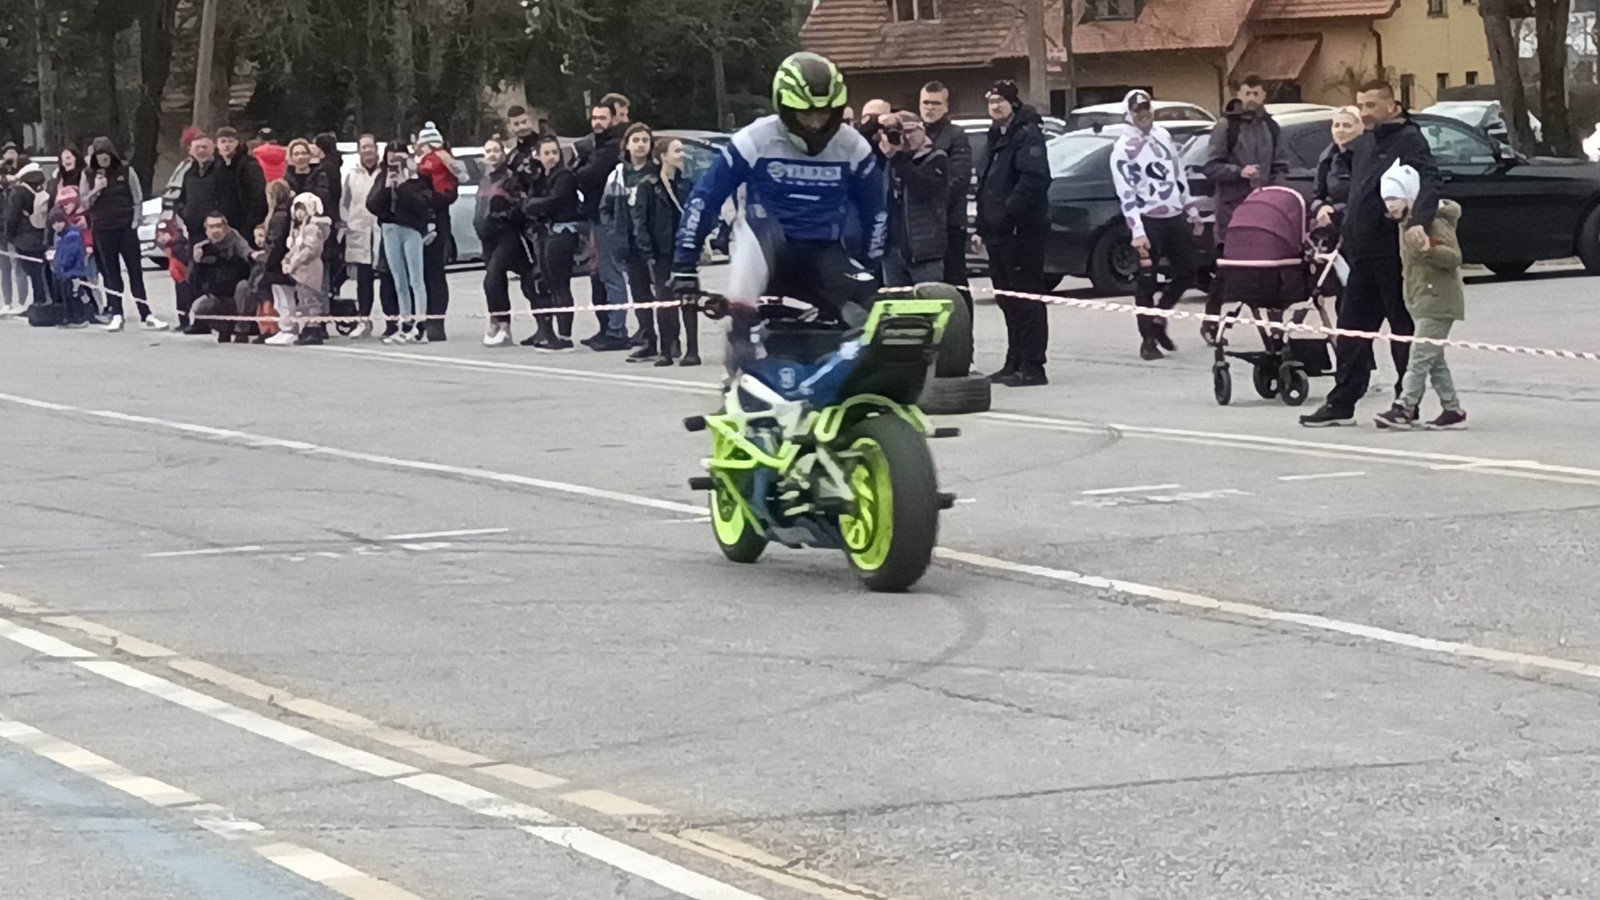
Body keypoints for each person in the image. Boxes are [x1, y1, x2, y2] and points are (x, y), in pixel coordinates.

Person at [671, 51, 886, 372]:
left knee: (875, 310)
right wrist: (684, 265)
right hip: (764, 248)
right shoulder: (754, 140)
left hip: (822, 252)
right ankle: (741, 346)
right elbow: (705, 197)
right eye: (805, 114)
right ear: (785, 107)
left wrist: (870, 266)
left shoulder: (853, 147)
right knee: (756, 233)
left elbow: (876, 212)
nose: (815, 123)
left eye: (824, 113)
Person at [1300, 80, 1440, 427]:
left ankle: (1406, 403)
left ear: (1392, 106)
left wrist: (1418, 221)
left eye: (1372, 105)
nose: (1365, 112)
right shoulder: (1363, 143)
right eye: (1361, 105)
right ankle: (1342, 402)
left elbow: (1431, 180)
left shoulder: (1409, 139)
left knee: (1401, 329)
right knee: (1351, 331)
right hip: (1359, 251)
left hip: (1392, 252)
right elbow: (1355, 189)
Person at [1370, 164, 1468, 431]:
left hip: (1439, 300)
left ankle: (1405, 406)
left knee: (1419, 358)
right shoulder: (1407, 224)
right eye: (1386, 199)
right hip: (1420, 300)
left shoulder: (1432, 222)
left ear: (1410, 197)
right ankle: (1452, 409)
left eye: (1394, 198)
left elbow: (1454, 257)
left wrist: (1429, 248)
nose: (1389, 205)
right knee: (1434, 359)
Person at [1110, 90, 1203, 361]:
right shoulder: (1123, 148)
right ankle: (1147, 339)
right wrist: (1137, 230)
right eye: (1137, 110)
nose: (1143, 114)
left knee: (1188, 270)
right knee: (1147, 281)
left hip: (1173, 215)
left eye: (1146, 108)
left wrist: (1191, 209)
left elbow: (1178, 174)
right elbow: (1125, 192)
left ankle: (1160, 318)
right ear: (1129, 113)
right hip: (1146, 220)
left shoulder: (1163, 136)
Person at [1201, 75, 1290, 343]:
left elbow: (1282, 165)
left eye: (1257, 93)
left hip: (1264, 210)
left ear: (1264, 95)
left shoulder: (1272, 128)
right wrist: (1239, 172)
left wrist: (1275, 191)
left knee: (1269, 269)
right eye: (1247, 92)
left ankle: (1274, 328)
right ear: (1240, 94)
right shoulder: (1226, 127)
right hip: (1232, 211)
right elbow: (1210, 167)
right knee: (1229, 269)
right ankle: (1211, 322)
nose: (1251, 97)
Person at [975, 79, 1051, 387]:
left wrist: (1008, 214)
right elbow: (986, 186)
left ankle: (1033, 365)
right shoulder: (996, 136)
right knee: (1007, 300)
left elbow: (1034, 181)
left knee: (1026, 299)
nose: (995, 106)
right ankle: (1014, 361)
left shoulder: (1027, 134)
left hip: (1022, 233)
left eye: (1001, 101)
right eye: (991, 101)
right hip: (997, 234)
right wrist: (983, 225)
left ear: (1013, 104)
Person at [82, 137, 167, 331]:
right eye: (99, 156)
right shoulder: (88, 175)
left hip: (126, 228)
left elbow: (137, 197)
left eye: (106, 155)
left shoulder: (127, 171)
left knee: (135, 272)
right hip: (103, 229)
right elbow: (84, 203)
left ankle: (146, 313)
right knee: (111, 274)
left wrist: (134, 223)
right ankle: (117, 313)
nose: (103, 159)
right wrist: (96, 188)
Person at [633, 135, 698, 366]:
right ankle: (666, 349)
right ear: (662, 157)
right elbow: (640, 221)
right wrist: (647, 252)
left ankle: (692, 349)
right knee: (664, 299)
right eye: (677, 151)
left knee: (688, 298)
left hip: (684, 251)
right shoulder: (648, 186)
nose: (681, 155)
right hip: (661, 252)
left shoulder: (686, 184)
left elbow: (695, 214)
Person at [575, 100, 631, 351]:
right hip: (595, 217)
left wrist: (581, 169)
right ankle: (607, 327)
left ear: (612, 120)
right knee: (600, 276)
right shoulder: (598, 145)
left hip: (608, 218)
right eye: (594, 118)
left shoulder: (611, 147)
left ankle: (618, 331)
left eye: (602, 118)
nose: (597, 122)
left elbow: (590, 174)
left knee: (612, 275)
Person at [366, 140, 434, 343]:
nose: (395, 160)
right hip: (389, 229)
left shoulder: (417, 178)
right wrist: (387, 188)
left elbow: (422, 204)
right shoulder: (382, 177)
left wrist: (403, 186)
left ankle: (420, 324)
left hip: (411, 229)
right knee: (398, 279)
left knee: (416, 278)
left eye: (400, 156)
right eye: (391, 156)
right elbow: (372, 205)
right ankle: (404, 323)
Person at [521, 135, 582, 351]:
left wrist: (532, 206)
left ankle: (565, 336)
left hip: (562, 233)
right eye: (546, 153)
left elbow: (555, 200)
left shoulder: (563, 176)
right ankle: (554, 333)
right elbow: (529, 199)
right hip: (546, 232)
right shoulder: (542, 177)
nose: (551, 157)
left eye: (554, 152)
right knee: (548, 282)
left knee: (560, 283)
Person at [880, 112, 949, 288]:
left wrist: (897, 157)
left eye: (911, 131)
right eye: (901, 132)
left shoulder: (936, 157)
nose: (906, 137)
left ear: (923, 129)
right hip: (892, 250)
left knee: (928, 308)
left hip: (924, 251)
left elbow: (924, 189)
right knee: (896, 309)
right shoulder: (891, 160)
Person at [475, 136, 531, 346]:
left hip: (506, 236)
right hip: (487, 238)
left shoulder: (510, 178)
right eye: (488, 151)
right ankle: (498, 323)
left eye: (495, 151)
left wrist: (503, 218)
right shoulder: (485, 179)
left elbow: (518, 205)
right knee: (495, 283)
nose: (492, 155)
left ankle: (505, 324)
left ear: (502, 153)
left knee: (493, 277)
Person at [920, 81, 974, 288]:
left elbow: (959, 179)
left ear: (945, 106)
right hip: (922, 224)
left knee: (955, 279)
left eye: (935, 103)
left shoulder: (956, 135)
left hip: (950, 222)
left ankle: (964, 320)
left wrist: (936, 205)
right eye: (926, 102)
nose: (930, 108)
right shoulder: (914, 134)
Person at [615, 122, 661, 361]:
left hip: (655, 241)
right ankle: (647, 338)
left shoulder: (657, 172)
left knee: (663, 292)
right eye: (636, 140)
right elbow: (608, 206)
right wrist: (615, 232)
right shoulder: (620, 174)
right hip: (630, 241)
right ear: (627, 145)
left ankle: (670, 341)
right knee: (640, 292)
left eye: (645, 140)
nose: (641, 144)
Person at [269, 192, 333, 346]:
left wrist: (295, 262)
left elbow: (310, 249)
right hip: (299, 272)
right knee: (303, 300)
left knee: (311, 299)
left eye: (303, 209)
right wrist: (286, 260)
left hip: (310, 268)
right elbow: (294, 248)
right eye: (297, 209)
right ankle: (306, 327)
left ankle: (314, 328)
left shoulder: (314, 228)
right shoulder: (299, 230)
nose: (299, 213)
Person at [341, 134, 384, 339]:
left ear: (376, 150)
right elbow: (345, 204)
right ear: (358, 151)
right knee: (363, 281)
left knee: (388, 279)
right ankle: (364, 319)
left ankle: (394, 321)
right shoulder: (351, 176)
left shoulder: (385, 173)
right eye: (364, 148)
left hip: (382, 230)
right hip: (359, 231)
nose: (368, 151)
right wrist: (346, 225)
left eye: (371, 147)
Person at [188, 212, 254, 342]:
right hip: (217, 295)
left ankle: (241, 330)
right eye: (211, 227)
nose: (215, 230)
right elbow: (193, 284)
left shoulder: (235, 240)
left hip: (237, 294)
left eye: (218, 226)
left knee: (244, 287)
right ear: (206, 229)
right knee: (199, 307)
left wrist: (251, 256)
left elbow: (247, 253)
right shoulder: (202, 247)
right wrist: (196, 263)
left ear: (225, 227)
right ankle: (224, 329)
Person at [2, 161, 51, 312]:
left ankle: (35, 304)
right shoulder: (40, 189)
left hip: (22, 238)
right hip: (40, 234)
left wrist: (8, 235)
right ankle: (45, 301)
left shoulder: (18, 191)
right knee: (41, 271)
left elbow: (12, 216)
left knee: (27, 271)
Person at [258, 180, 297, 344]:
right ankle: (284, 326)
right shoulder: (286, 213)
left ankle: (289, 328)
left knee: (283, 297)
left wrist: (269, 263)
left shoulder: (278, 216)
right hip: (281, 261)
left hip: (278, 263)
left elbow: (276, 243)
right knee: (280, 297)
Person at [1314, 106, 1364, 232]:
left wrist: (1337, 209)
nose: (1340, 130)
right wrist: (1321, 208)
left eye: (1347, 125)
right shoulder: (1327, 157)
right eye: (1336, 125)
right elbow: (1316, 195)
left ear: (1361, 128)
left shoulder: (1368, 156)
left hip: (1362, 227)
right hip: (1334, 228)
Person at [216, 126, 267, 242]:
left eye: (230, 141)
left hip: (245, 227)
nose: (226, 145)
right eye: (223, 141)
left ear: (237, 143)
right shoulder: (217, 167)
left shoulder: (250, 166)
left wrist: (249, 226)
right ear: (217, 144)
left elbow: (259, 197)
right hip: (223, 226)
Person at [47, 208, 95, 327]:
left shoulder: (72, 234)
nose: (56, 226)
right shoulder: (60, 236)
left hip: (73, 271)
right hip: (64, 271)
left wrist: (61, 266)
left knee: (73, 294)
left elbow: (70, 255)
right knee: (66, 295)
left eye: (58, 222)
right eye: (53, 223)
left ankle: (78, 318)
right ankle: (69, 317)